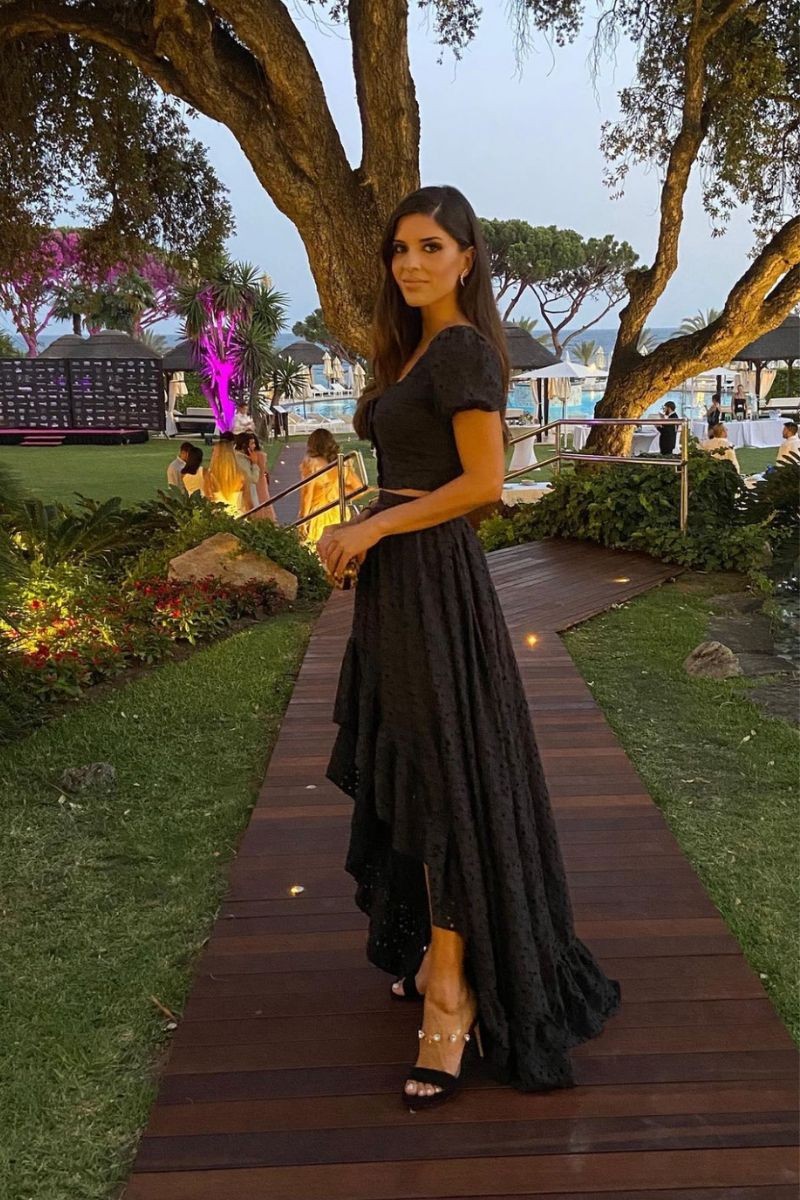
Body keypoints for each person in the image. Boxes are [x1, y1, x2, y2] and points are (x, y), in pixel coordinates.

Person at [318, 185, 620, 1111]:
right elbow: (420, 472)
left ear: (466, 258)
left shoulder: (461, 350)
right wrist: (366, 534)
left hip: (433, 582)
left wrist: (373, 528)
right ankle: (438, 952)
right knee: (416, 761)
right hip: (401, 584)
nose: (410, 263)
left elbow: (486, 483)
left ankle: (453, 993)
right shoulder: (413, 350)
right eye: (400, 249)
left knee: (447, 775)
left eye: (431, 247)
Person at [297, 428, 363, 551]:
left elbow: (307, 494)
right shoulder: (342, 462)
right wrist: (338, 494)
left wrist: (303, 520)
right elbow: (358, 488)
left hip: (318, 515)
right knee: (336, 550)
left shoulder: (311, 463)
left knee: (314, 551)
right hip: (338, 511)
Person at [206, 431, 253, 514]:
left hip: (217, 517)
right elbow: (249, 504)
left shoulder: (210, 476)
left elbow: (207, 501)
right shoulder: (242, 475)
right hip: (239, 516)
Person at [234, 431, 276, 521]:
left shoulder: (242, 457)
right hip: (244, 495)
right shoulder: (241, 460)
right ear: (244, 445)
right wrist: (254, 463)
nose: (254, 446)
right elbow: (253, 478)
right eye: (252, 443)